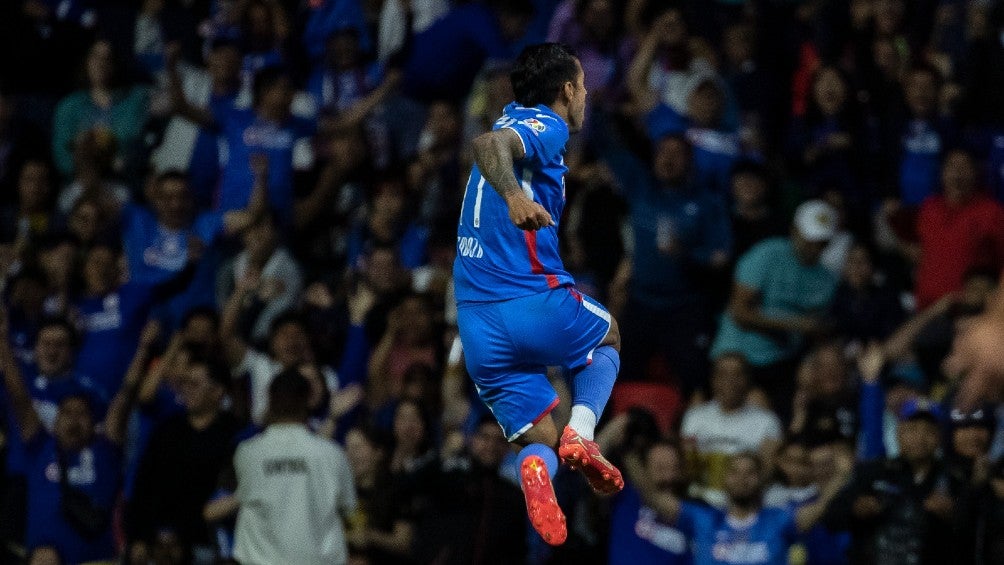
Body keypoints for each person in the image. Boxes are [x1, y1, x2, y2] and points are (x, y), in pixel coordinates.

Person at [454, 43, 624, 546]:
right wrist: (515, 196)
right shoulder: (543, 124)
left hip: (477, 329)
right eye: (584, 88)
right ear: (567, 90)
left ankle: (535, 470)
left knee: (541, 443)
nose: (586, 97)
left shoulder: (517, 119)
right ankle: (585, 432)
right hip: (528, 303)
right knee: (609, 335)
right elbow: (488, 144)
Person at [231, 368, 357, 565]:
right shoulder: (332, 454)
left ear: (270, 400)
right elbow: (348, 507)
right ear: (308, 400)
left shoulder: (247, 452)